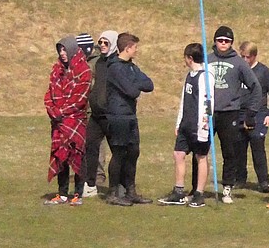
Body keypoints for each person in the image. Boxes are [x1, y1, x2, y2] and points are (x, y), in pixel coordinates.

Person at [206, 26, 261, 204]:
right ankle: (197, 188)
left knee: (229, 153)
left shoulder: (239, 62)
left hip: (230, 113)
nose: (223, 43)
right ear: (215, 41)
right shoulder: (207, 60)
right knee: (201, 150)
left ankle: (227, 188)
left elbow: (255, 87)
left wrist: (251, 112)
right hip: (209, 113)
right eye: (220, 40)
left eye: (227, 41)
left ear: (231, 43)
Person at [159, 44, 213, 208]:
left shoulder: (205, 76)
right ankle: (179, 191)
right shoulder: (190, 75)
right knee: (179, 154)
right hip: (186, 124)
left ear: (190, 58)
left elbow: (207, 103)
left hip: (199, 126)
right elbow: (184, 100)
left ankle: (199, 193)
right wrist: (179, 122)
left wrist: (204, 127)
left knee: (201, 157)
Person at [104, 33, 155, 207]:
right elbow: (132, 92)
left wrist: (134, 83)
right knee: (119, 154)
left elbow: (149, 84)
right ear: (127, 48)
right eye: (135, 47)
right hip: (117, 116)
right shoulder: (115, 68)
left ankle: (130, 191)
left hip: (131, 115)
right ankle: (112, 192)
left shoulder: (131, 67)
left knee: (133, 152)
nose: (137, 50)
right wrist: (135, 84)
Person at [43, 36, 93, 205]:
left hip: (75, 120)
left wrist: (62, 112)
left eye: (64, 50)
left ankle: (78, 193)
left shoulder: (84, 70)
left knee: (78, 154)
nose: (62, 53)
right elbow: (49, 94)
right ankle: (62, 193)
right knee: (60, 155)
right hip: (58, 121)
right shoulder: (56, 70)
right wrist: (52, 110)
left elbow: (80, 98)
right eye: (60, 50)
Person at [237, 40, 269, 193]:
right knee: (239, 147)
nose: (245, 60)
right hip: (240, 113)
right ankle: (240, 179)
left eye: (248, 57)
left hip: (258, 114)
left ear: (254, 56)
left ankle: (264, 181)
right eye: (242, 57)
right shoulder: (239, 70)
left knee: (257, 145)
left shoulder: (263, 71)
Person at [82, 31, 118, 198]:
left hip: (112, 115)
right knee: (91, 146)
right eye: (100, 42)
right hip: (96, 114)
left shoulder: (117, 64)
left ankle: (118, 186)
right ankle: (90, 184)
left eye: (105, 43)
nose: (102, 45)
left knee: (118, 151)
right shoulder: (100, 63)